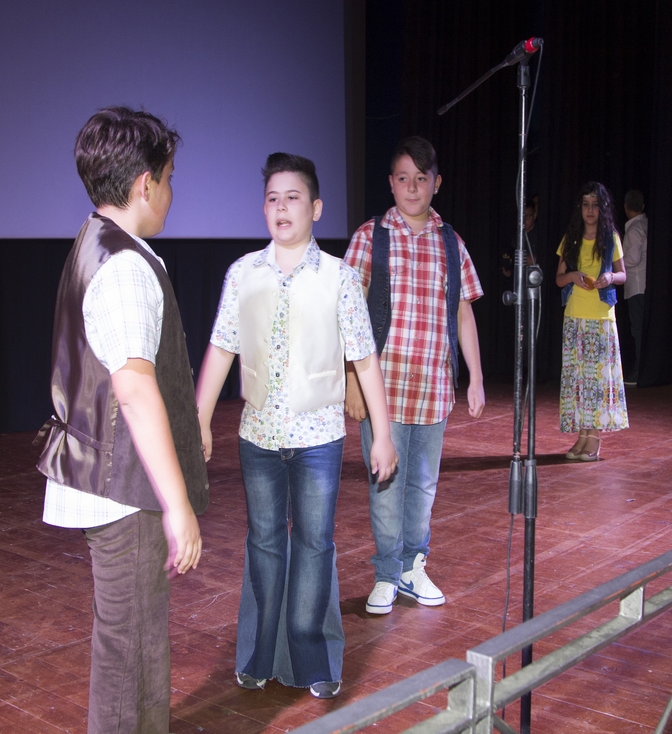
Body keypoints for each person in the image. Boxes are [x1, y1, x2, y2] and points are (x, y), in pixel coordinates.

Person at [195, 153, 397, 700]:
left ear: (316, 208)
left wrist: (382, 434)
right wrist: (200, 420)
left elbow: (365, 359)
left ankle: (313, 657)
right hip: (258, 437)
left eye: (293, 197)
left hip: (318, 440)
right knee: (263, 543)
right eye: (272, 198)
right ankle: (258, 653)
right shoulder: (243, 273)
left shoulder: (340, 277)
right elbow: (221, 349)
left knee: (314, 545)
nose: (281, 207)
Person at [35, 107, 209, 734]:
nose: (171, 192)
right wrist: (177, 505)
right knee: (129, 649)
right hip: (123, 489)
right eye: (169, 178)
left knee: (135, 639)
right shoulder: (126, 266)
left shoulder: (95, 240)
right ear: (144, 184)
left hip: (111, 483)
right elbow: (133, 389)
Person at [343, 136, 485, 616]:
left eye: (421, 179)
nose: (411, 187)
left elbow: (463, 312)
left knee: (423, 486)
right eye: (403, 178)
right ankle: (386, 573)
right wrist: (352, 380)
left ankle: (412, 566)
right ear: (390, 183)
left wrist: (476, 377)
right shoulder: (371, 237)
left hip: (433, 389)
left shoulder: (451, 242)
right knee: (385, 485)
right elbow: (347, 313)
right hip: (382, 390)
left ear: (436, 183)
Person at [555, 181, 629, 461]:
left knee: (596, 380)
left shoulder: (611, 237)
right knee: (578, 379)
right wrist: (572, 276)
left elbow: (622, 275)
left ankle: (594, 436)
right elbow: (558, 278)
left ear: (602, 208)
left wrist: (610, 277)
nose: (590, 210)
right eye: (586, 205)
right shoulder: (571, 238)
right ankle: (582, 435)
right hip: (575, 316)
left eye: (595, 205)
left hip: (600, 317)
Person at [622, 190, 648, 385]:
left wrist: (616, 262)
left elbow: (633, 258)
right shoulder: (644, 224)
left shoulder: (634, 229)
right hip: (643, 285)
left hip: (637, 286)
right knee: (641, 328)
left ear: (625, 207)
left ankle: (639, 371)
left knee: (638, 329)